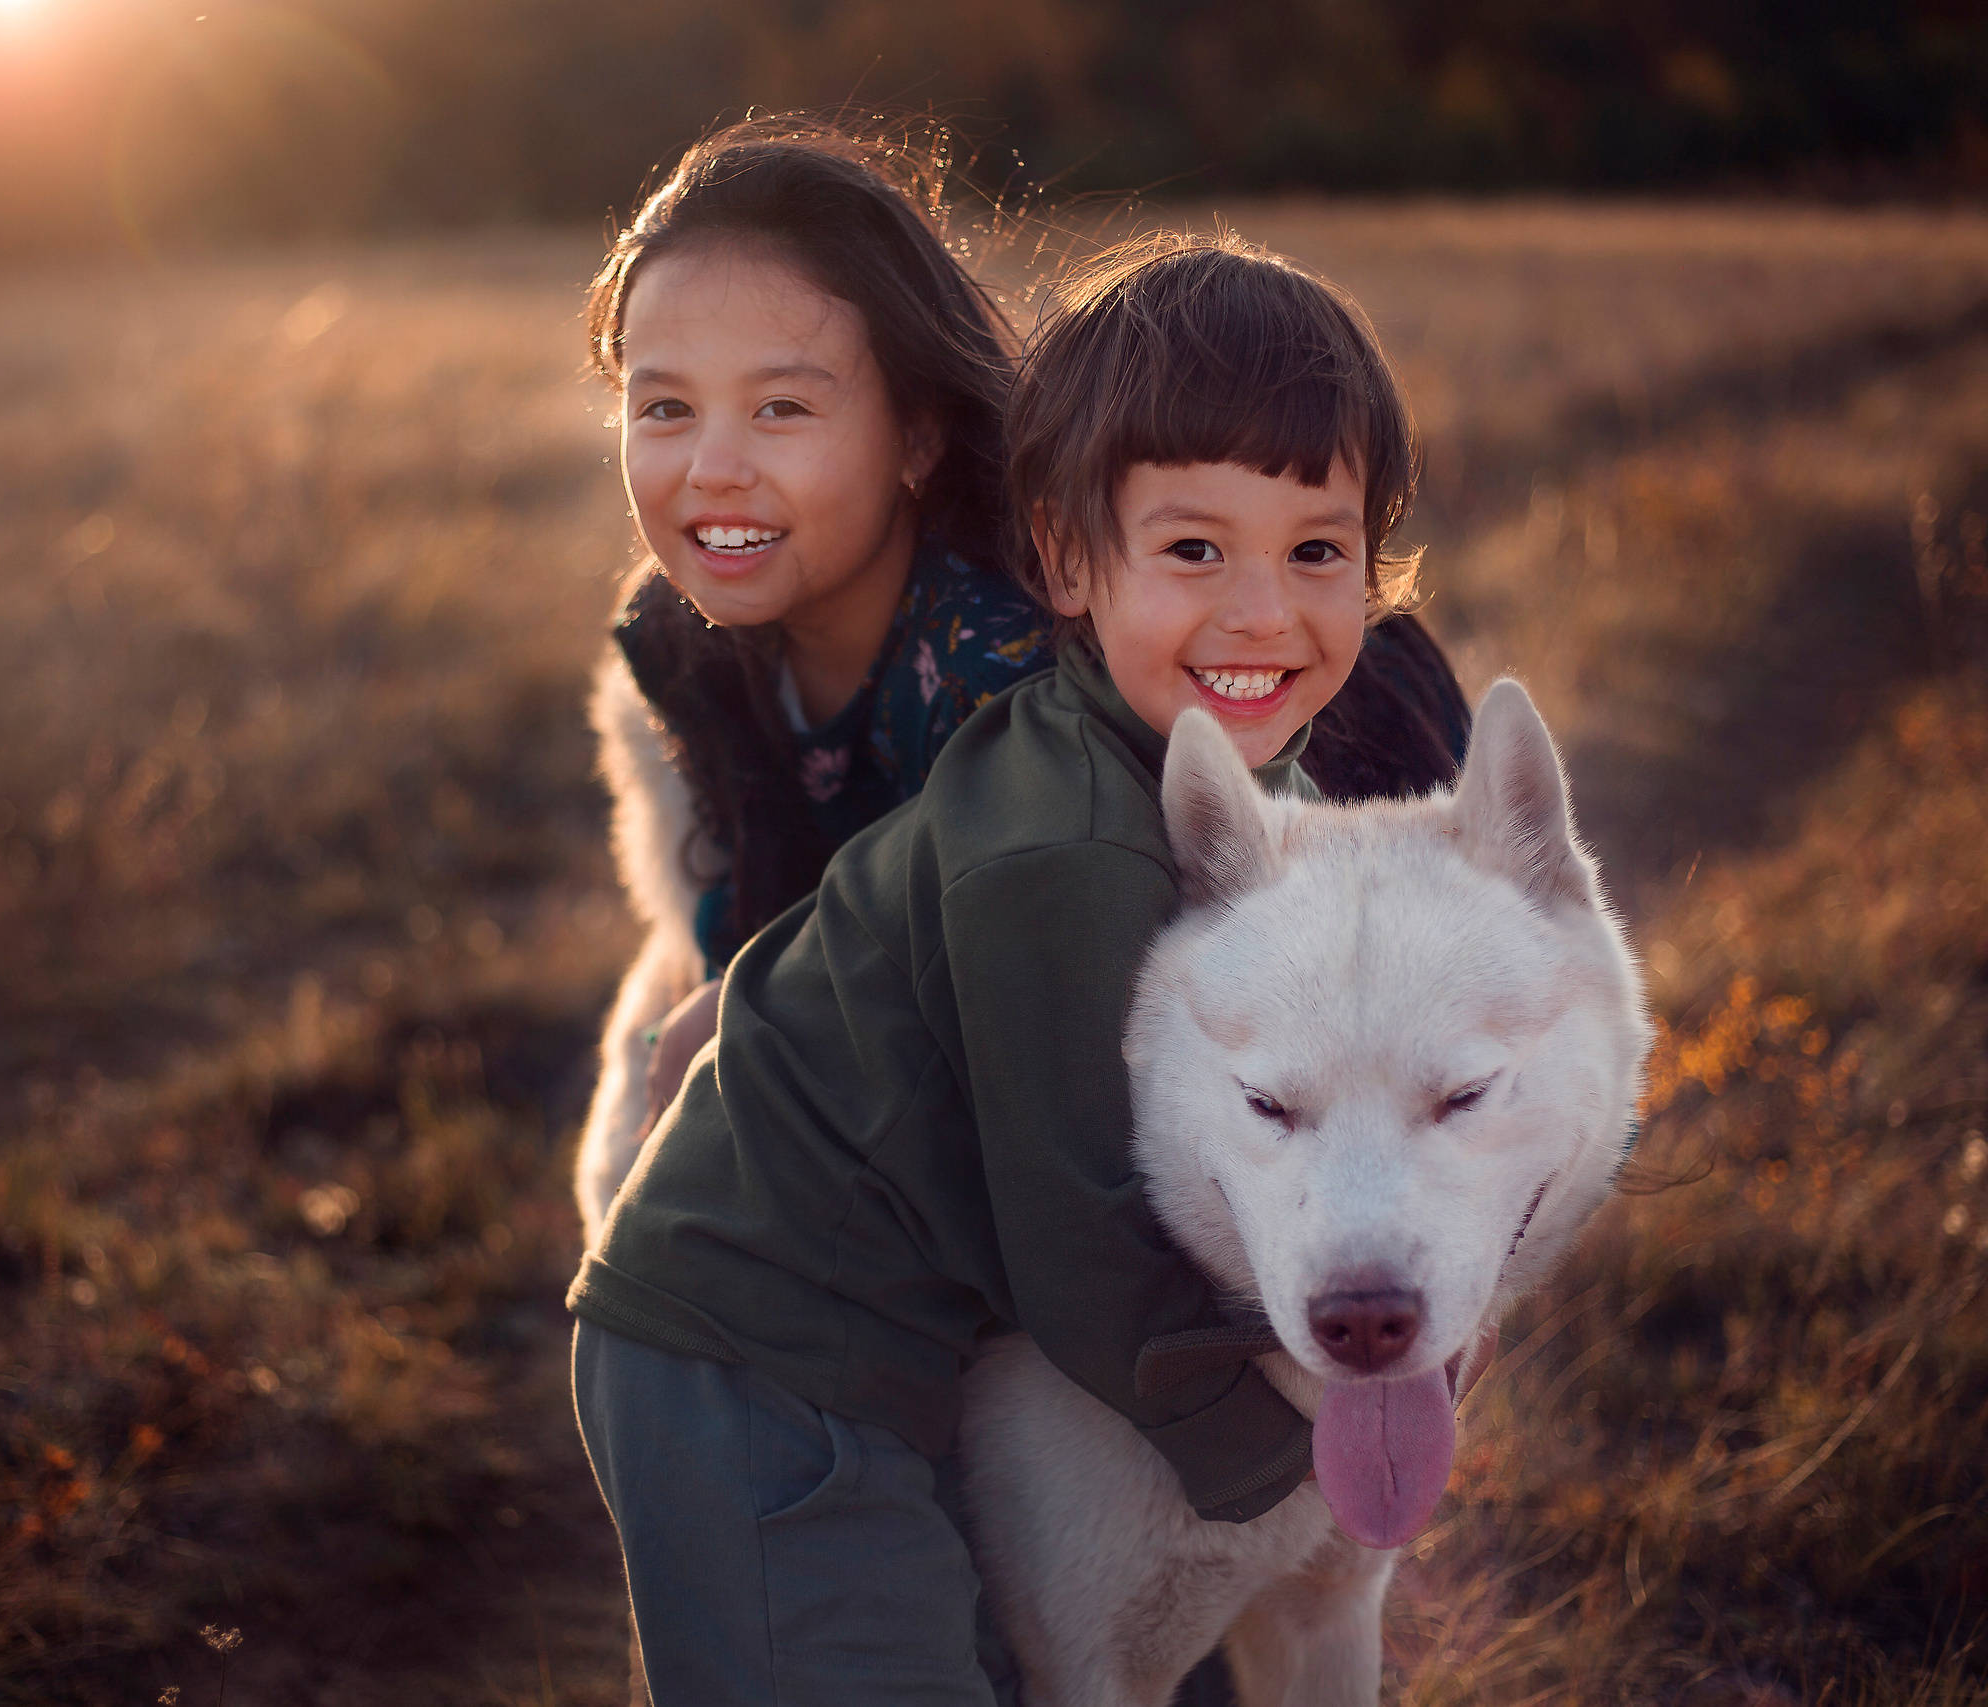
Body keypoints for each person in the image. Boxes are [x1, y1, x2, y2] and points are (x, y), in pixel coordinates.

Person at [569, 229, 1434, 1704]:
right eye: (1191, 550)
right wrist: (1293, 1453)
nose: (1260, 612)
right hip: (754, 1345)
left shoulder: (1226, 775)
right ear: (1062, 557)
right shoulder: (1065, 839)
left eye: (1316, 553)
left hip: (885, 1343)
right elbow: (1080, 1222)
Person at [573, 121, 1472, 1246]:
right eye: (663, 408)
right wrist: (750, 987)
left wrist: (774, 1026)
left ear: (916, 435)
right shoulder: (682, 629)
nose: (712, 466)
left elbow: (1102, 994)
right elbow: (757, 862)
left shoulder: (1011, 650)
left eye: (781, 409)